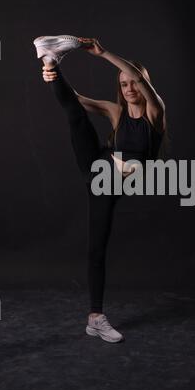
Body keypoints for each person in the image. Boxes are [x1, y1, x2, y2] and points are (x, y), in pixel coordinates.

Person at [33, 35, 166, 343]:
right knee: (76, 116)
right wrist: (53, 75)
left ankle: (95, 318)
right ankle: (49, 57)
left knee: (98, 246)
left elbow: (145, 89)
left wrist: (104, 54)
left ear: (145, 84)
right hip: (98, 170)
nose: (129, 88)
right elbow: (75, 99)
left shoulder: (155, 114)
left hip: (115, 180)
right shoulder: (115, 112)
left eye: (134, 82)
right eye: (123, 85)